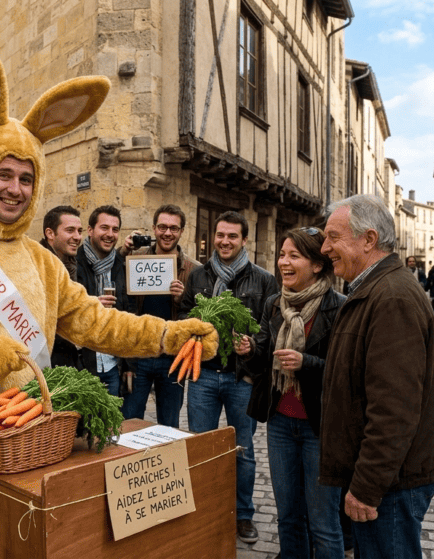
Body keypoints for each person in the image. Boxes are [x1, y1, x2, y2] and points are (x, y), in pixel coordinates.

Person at [0, 25, 218, 559]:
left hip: (27, 443)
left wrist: (170, 335)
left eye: (26, 178)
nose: (15, 189)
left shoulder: (43, 261)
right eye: (3, 174)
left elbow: (98, 323)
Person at [318, 195, 434, 559]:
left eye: (333, 236)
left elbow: (394, 409)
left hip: (393, 483)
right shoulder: (374, 289)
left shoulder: (391, 298)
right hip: (390, 478)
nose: (325, 247)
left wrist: (367, 487)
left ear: (368, 239)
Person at [178, 210, 279, 545]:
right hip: (204, 376)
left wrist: (251, 346)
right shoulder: (198, 277)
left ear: (244, 240)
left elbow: (270, 330)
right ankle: (204, 510)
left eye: (232, 236)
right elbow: (184, 314)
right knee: (201, 446)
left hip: (241, 379)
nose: (224, 241)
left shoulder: (263, 280)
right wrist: (191, 333)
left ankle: (243, 515)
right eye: (220, 235)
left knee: (243, 450)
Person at [246, 227, 345, 558]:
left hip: (320, 427)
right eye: (282, 255)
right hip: (280, 424)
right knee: (288, 517)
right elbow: (263, 354)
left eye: (294, 256)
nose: (283, 263)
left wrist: (306, 362)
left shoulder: (339, 308)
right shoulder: (275, 304)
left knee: (323, 522)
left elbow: (345, 371)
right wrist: (248, 348)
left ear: (317, 265)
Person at [119, 204, 199, 428]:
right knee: (130, 419)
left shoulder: (194, 270)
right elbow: (112, 277)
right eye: (162, 227)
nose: (167, 233)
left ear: (182, 231)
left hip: (173, 356)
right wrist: (122, 251)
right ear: (153, 229)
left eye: (174, 228)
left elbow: (198, 314)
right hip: (139, 355)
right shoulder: (135, 259)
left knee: (169, 422)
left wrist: (182, 298)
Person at [75, 205, 129, 396]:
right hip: (82, 365)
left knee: (111, 424)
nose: (110, 234)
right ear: (90, 230)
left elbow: (129, 313)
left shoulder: (121, 264)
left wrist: (129, 364)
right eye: (104, 228)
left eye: (115, 229)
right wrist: (92, 305)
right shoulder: (74, 262)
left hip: (112, 365)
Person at [40, 205, 83, 368]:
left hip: (68, 358)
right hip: (48, 364)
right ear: (50, 233)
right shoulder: (38, 266)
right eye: (70, 230)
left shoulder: (70, 263)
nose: (77, 237)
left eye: (80, 231)